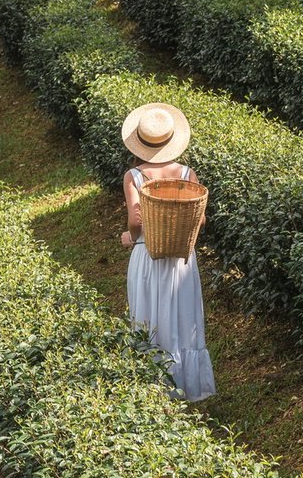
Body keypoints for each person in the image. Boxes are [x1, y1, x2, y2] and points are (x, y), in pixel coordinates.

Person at [119, 102, 216, 402]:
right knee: (184, 318)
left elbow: (136, 220)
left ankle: (155, 390)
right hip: (181, 258)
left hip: (148, 255)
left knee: (150, 319)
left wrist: (128, 236)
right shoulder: (187, 173)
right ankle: (188, 386)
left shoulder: (134, 176)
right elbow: (199, 217)